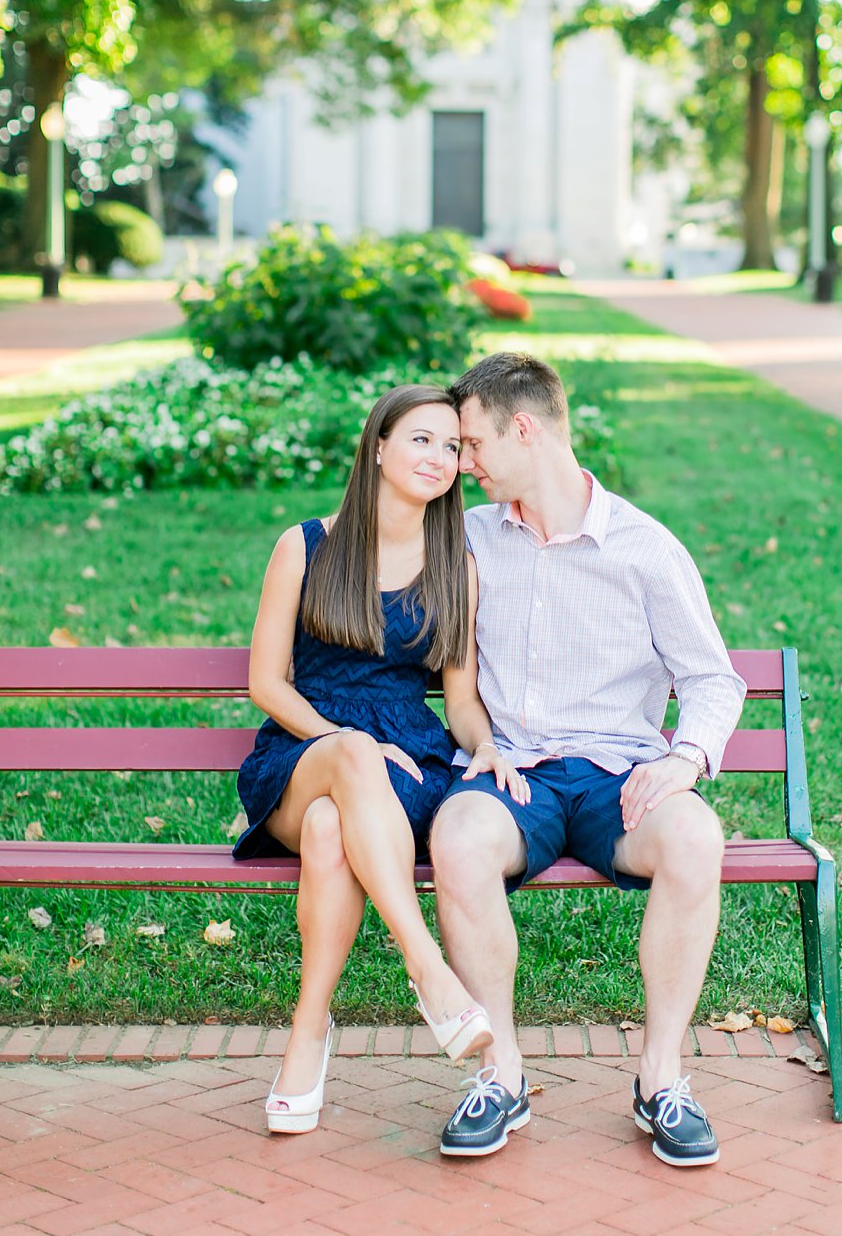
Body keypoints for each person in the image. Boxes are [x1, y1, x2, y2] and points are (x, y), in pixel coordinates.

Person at [425, 352, 746, 1163]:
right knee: (457, 837)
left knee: (695, 839)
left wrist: (686, 760)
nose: (465, 464)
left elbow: (712, 680)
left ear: (523, 429)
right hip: (514, 776)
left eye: (472, 445)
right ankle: (499, 1074)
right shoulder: (467, 538)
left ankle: (661, 1078)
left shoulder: (644, 548)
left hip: (620, 778)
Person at [240, 383, 519, 1134]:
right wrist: (341, 740)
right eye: (421, 439)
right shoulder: (305, 544)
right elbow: (266, 682)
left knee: (336, 830)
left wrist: (485, 741)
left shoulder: (456, 563)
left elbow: (458, 699)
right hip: (302, 755)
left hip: (407, 767)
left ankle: (307, 1032)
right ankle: (427, 969)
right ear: (379, 446)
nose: (440, 457)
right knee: (348, 766)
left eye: (452, 447)